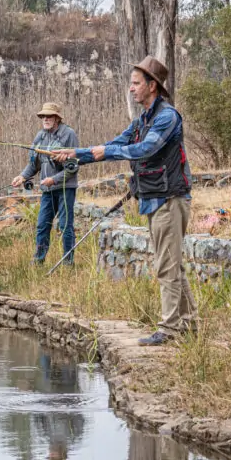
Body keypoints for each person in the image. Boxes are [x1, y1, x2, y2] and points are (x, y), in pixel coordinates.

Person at [49, 56, 197, 346]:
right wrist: (76, 154)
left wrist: (104, 152)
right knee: (172, 264)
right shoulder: (140, 120)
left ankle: (169, 330)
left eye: (135, 83)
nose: (131, 89)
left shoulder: (167, 117)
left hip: (170, 199)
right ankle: (188, 325)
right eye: (131, 83)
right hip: (155, 200)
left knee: (167, 266)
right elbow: (115, 144)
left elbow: (145, 149)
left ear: (152, 86)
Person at [11, 102, 79, 266]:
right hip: (47, 190)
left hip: (64, 188)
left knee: (65, 226)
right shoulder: (39, 136)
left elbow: (73, 167)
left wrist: (53, 180)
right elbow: (34, 164)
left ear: (57, 118)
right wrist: (22, 176)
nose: (45, 119)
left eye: (49, 116)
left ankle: (67, 262)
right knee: (42, 225)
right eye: (43, 116)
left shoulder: (68, 134)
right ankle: (39, 259)